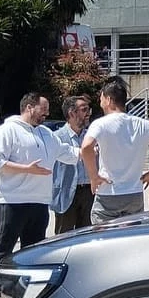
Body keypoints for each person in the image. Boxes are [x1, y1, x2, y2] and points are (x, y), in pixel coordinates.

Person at [0, 93, 78, 298]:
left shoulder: (46, 134)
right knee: (4, 248)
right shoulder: (8, 130)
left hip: (40, 202)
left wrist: (91, 150)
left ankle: (25, 297)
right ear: (30, 107)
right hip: (13, 200)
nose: (46, 114)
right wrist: (26, 169)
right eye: (43, 109)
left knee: (34, 252)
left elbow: (67, 153)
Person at [82, 78, 149, 224]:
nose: (100, 103)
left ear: (108, 99)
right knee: (132, 234)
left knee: (103, 234)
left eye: (101, 99)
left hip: (109, 192)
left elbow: (86, 147)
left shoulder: (100, 124)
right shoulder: (143, 124)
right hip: (134, 192)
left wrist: (94, 176)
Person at [50, 95, 95, 235]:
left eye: (89, 110)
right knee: (64, 237)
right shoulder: (56, 137)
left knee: (87, 236)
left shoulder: (92, 136)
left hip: (89, 192)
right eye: (84, 110)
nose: (88, 114)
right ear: (72, 113)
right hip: (65, 192)